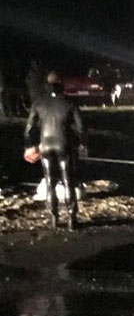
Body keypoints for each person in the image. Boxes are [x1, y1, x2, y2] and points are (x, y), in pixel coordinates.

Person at [23, 72, 86, 230]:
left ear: (47, 84)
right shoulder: (69, 102)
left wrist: (30, 145)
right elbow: (81, 127)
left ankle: (54, 218)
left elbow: (29, 128)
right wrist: (79, 143)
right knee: (68, 181)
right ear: (61, 84)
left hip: (45, 144)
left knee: (50, 182)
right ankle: (72, 218)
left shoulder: (39, 102)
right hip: (64, 144)